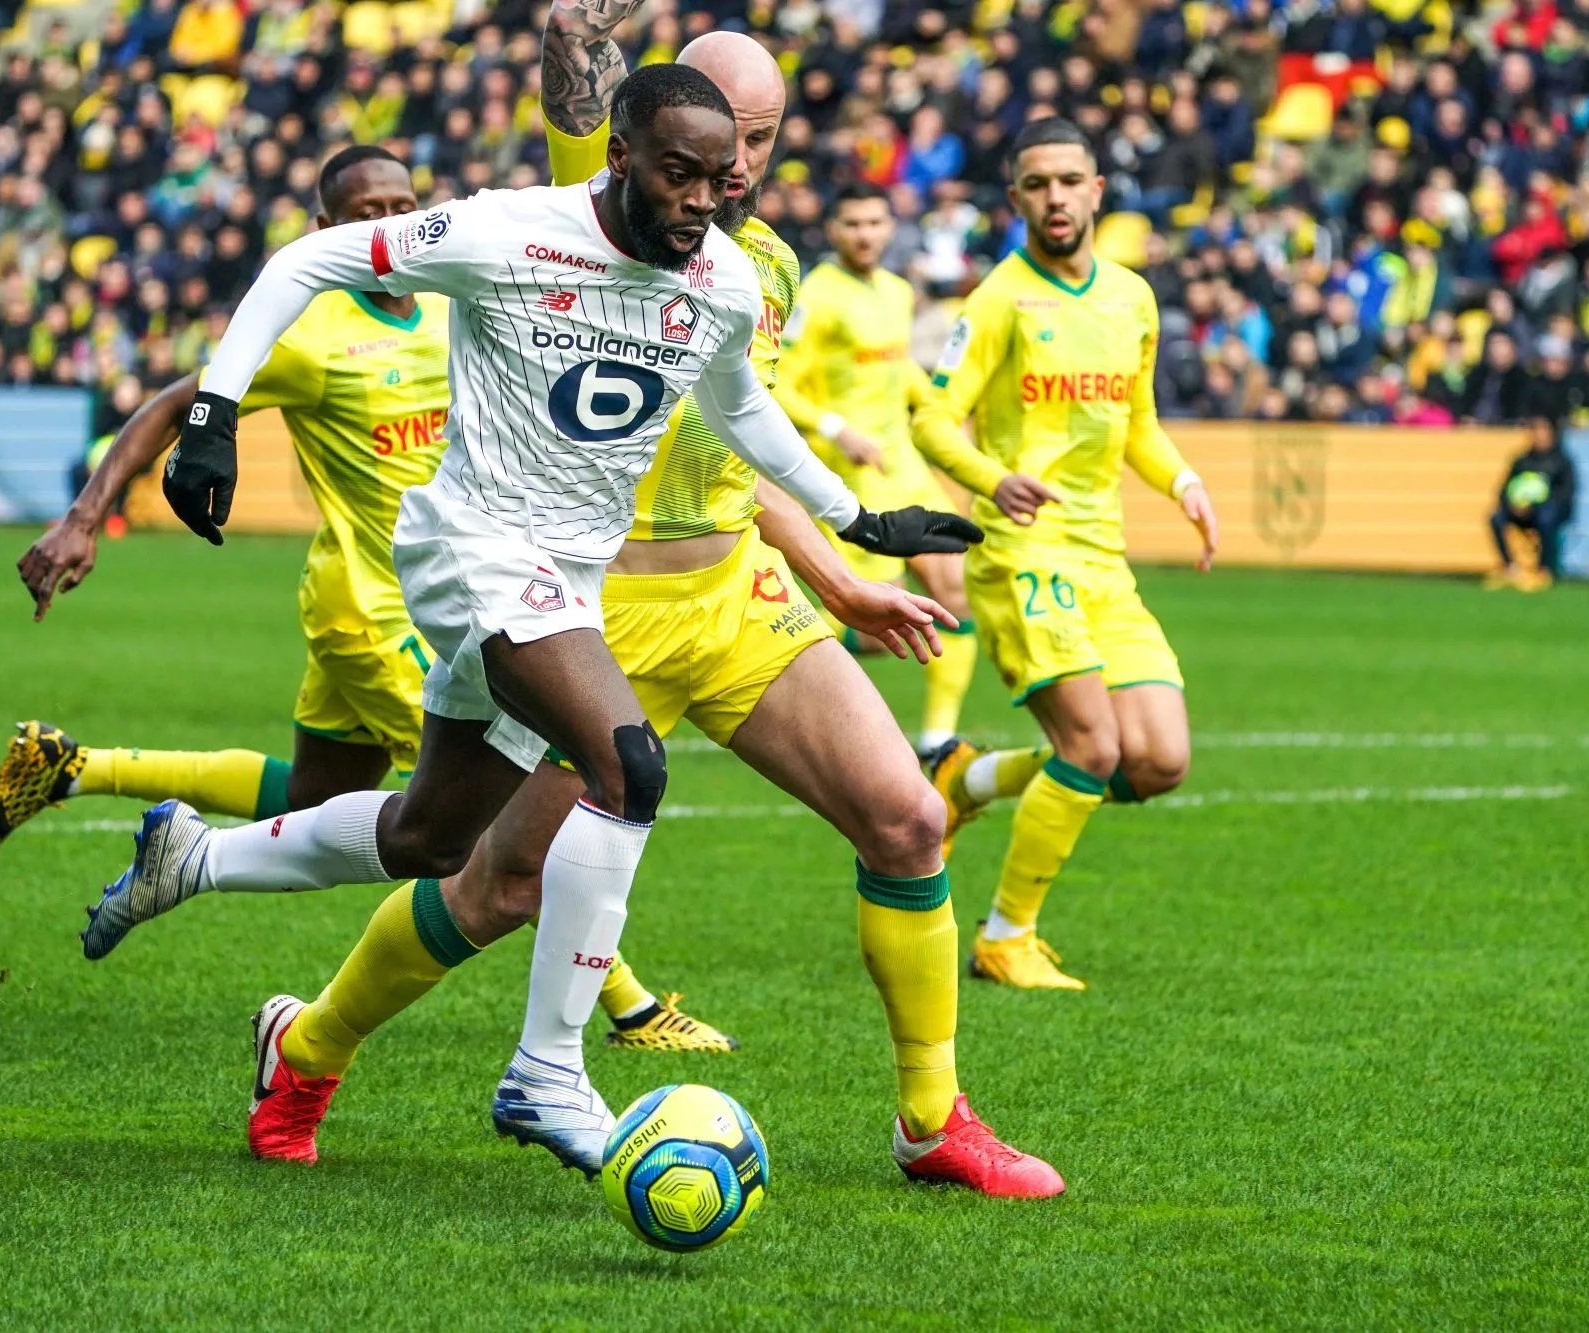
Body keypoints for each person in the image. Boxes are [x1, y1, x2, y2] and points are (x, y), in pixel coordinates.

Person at [240, 15, 1064, 1198]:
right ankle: (308, 1049)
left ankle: (932, 1119)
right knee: (495, 883)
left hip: (731, 594)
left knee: (905, 820)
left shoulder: (756, 268)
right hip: (590, 607)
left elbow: (734, 445)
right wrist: (578, 36)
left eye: (761, 141)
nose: (736, 168)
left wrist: (835, 565)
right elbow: (577, 95)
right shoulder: (592, 211)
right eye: (719, 138)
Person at [0, 146, 729, 1054]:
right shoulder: (313, 337)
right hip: (378, 610)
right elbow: (177, 406)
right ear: (328, 230)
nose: (388, 219)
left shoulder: (456, 296)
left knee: (315, 792)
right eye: (366, 210)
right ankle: (629, 1005)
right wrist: (84, 517)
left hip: (441, 590)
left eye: (401, 202)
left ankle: (75, 767)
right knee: (502, 807)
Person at [912, 117, 1222, 991]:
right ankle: (1005, 936)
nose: (1055, 197)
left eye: (1069, 181)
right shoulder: (999, 299)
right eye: (1038, 183)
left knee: (1157, 761)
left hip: (1102, 560)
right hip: (1022, 554)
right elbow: (933, 418)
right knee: (1090, 746)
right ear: (1017, 197)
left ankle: (967, 780)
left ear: (1097, 191)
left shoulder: (1132, 298)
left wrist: (1184, 482)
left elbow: (1140, 424)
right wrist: (993, 478)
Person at [774, 180, 981, 756]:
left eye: (874, 223)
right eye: (853, 224)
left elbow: (897, 370)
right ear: (833, 230)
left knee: (957, 596)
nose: (864, 235)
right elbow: (777, 383)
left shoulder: (897, 291)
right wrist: (837, 428)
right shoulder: (814, 296)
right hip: (850, 476)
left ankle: (938, 739)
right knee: (875, 619)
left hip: (905, 467)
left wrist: (940, 408)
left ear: (890, 227)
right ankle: (782, 642)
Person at [1487, 414, 1577, 591]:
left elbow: (1565, 494)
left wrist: (1535, 506)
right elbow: (1504, 488)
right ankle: (1509, 567)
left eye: (1542, 431)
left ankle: (1543, 570)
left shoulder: (1562, 462)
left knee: (1546, 517)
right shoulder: (1522, 461)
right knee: (1496, 517)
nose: (1538, 435)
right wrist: (1512, 504)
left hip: (1548, 511)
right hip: (1519, 510)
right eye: (1535, 431)